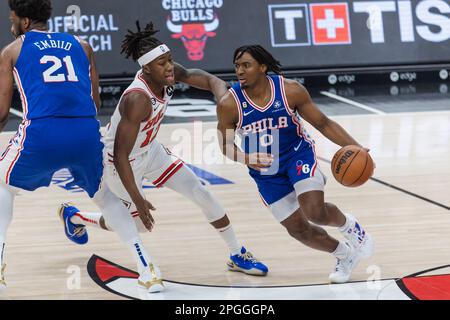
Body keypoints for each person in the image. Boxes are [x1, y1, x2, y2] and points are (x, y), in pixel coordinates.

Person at [58, 22, 268, 289]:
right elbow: (121, 155)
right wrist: (139, 199)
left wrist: (221, 94)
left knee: (200, 191)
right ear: (146, 68)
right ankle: (76, 217)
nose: (170, 67)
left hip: (151, 151)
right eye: (162, 63)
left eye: (169, 60)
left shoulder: (167, 73)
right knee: (139, 225)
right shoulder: (137, 99)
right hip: (118, 163)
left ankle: (237, 253)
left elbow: (201, 77)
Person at [0, 0, 171, 294]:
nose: (10, 23)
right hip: (84, 131)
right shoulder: (81, 45)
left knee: (2, 185)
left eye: (12, 18)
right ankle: (147, 268)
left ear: (25, 22)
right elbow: (95, 101)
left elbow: (3, 113)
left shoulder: (12, 50)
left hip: (42, 133)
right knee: (104, 197)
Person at [216, 45, 374, 283]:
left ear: (262, 67)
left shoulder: (290, 90)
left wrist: (356, 147)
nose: (240, 70)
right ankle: (345, 255)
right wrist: (245, 158)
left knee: (314, 211)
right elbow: (225, 144)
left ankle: (351, 227)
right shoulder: (229, 103)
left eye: (246, 65)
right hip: (266, 172)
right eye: (237, 65)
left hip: (297, 155)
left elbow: (323, 123)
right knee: (298, 230)